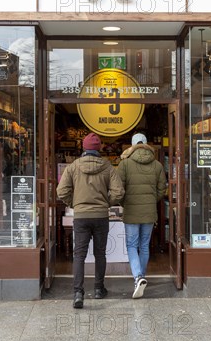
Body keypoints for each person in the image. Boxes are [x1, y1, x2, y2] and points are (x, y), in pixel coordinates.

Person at [56, 132, 124, 309]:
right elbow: (118, 192)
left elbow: (61, 191)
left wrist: (75, 203)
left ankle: (78, 293)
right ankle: (99, 289)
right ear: (99, 148)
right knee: (100, 254)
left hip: (81, 217)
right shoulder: (107, 167)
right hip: (101, 216)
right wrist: (105, 204)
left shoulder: (73, 167)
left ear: (83, 148)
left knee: (79, 255)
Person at [116, 133, 167, 299]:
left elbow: (119, 189)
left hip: (131, 211)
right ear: (146, 145)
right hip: (149, 211)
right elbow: (162, 189)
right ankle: (141, 277)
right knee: (144, 245)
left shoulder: (124, 164)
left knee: (132, 245)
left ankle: (138, 277)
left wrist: (125, 203)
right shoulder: (158, 165)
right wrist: (152, 200)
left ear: (132, 145)